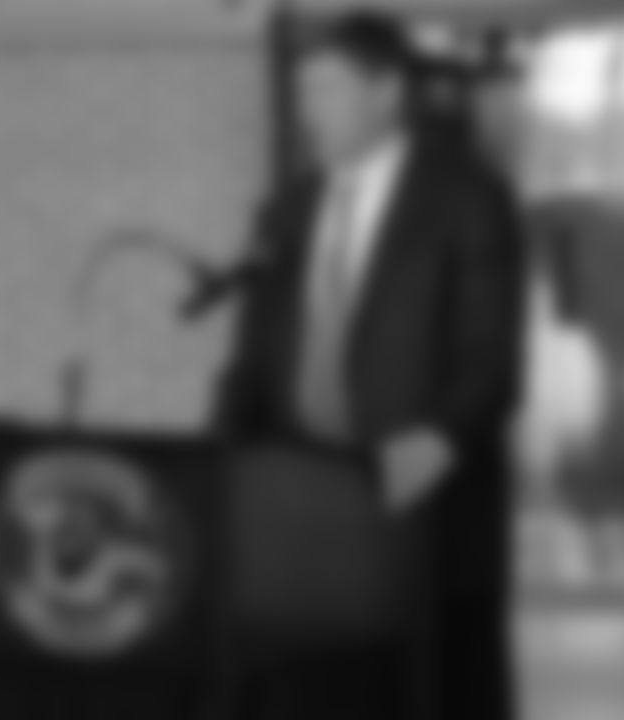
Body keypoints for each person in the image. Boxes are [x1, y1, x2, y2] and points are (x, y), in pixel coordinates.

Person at [213, 10, 526, 720]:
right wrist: (214, 462)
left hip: (419, 507)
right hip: (296, 509)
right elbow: (252, 358)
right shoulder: (288, 208)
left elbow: (492, 364)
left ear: (386, 93)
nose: (308, 112)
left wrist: (436, 439)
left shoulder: (467, 198)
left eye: (326, 89)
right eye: (301, 93)